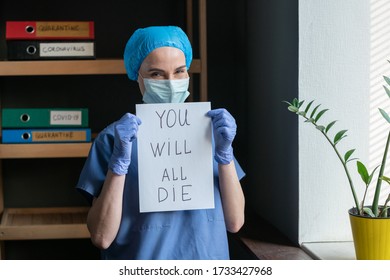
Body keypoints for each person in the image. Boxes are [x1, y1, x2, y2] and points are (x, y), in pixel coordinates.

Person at [76, 26, 245, 260]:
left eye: (179, 71)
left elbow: (235, 222)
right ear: (138, 75)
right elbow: (101, 236)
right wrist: (119, 164)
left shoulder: (211, 132)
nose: (170, 82)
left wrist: (225, 155)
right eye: (156, 74)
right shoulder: (114, 138)